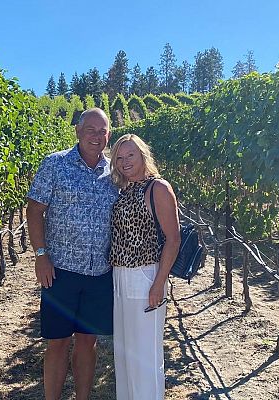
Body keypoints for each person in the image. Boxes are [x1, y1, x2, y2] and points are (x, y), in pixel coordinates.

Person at [25, 108, 119, 400]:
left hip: (100, 273)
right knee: (57, 343)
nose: (96, 136)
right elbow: (35, 210)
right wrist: (41, 254)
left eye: (102, 130)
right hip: (61, 270)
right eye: (90, 129)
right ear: (77, 131)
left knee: (88, 342)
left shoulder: (114, 172)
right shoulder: (55, 164)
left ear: (109, 135)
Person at [108, 134, 180, 400]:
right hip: (120, 275)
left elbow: (173, 239)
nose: (125, 161)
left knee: (145, 356)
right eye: (119, 157)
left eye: (130, 155)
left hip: (146, 274)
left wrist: (159, 283)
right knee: (125, 353)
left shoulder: (157, 188)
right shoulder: (123, 189)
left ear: (143, 156)